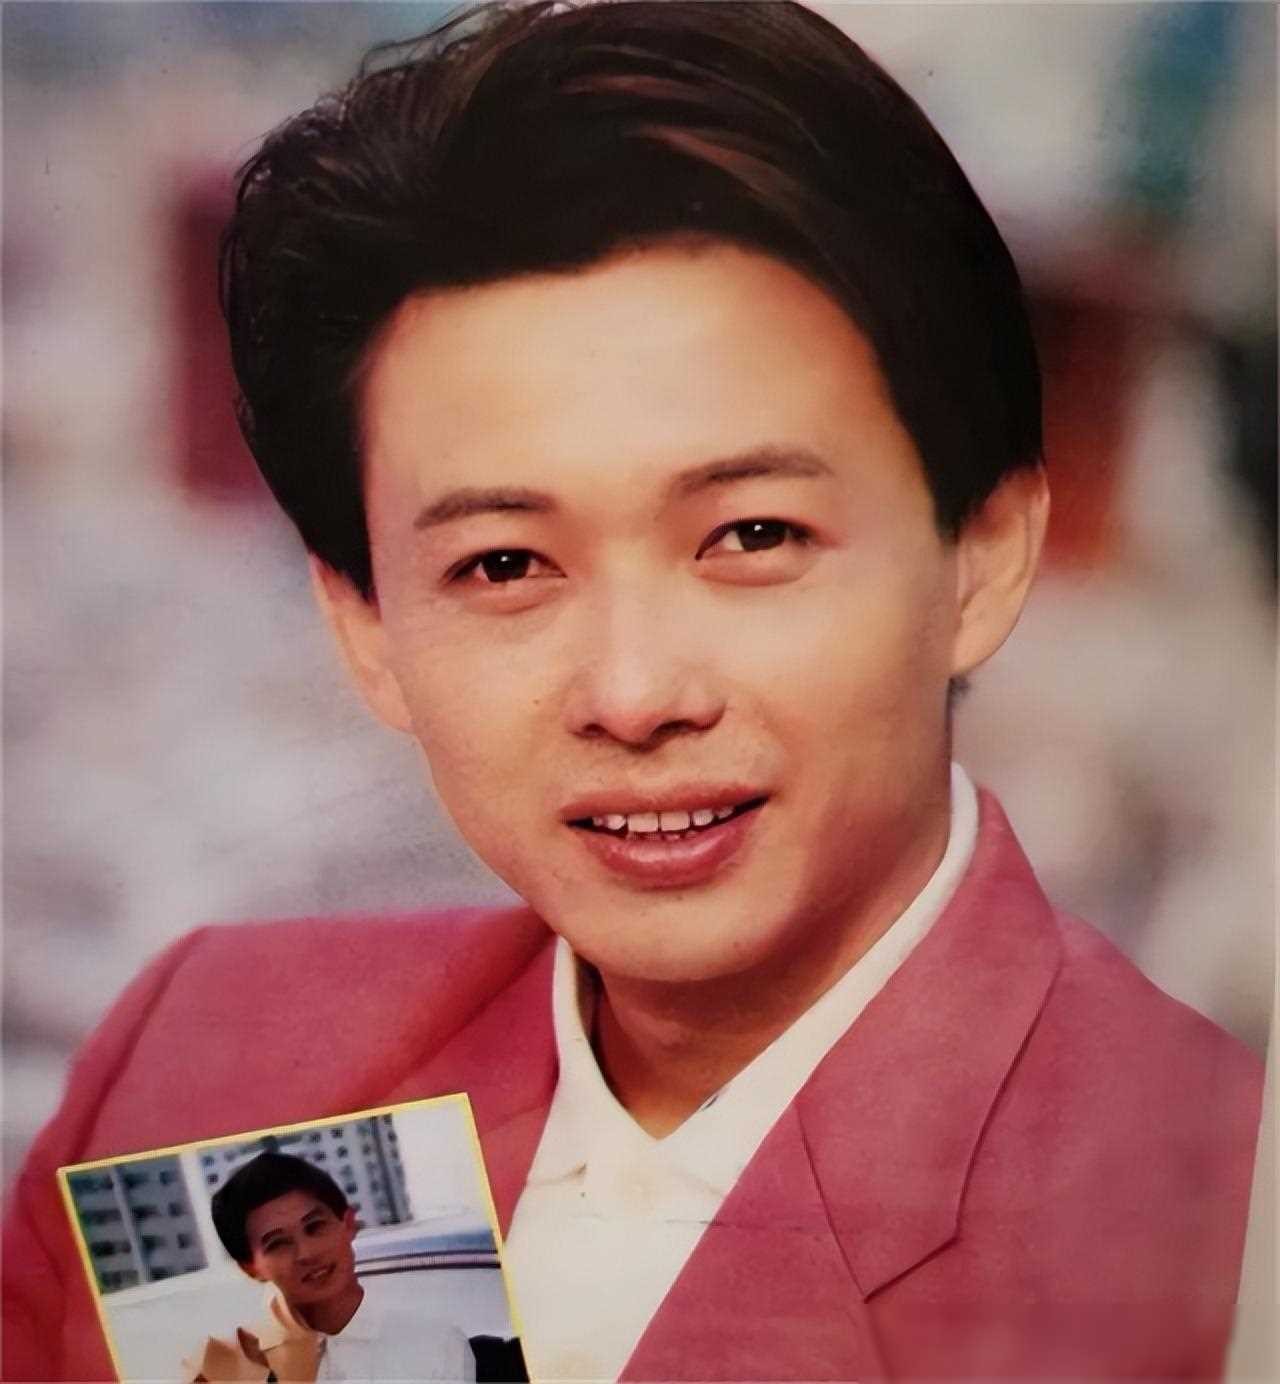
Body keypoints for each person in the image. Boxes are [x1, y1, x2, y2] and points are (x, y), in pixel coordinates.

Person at [3, 2, 1263, 1380]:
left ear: (984, 553)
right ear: (366, 628)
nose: (634, 691)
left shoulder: (1220, 1235)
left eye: (752, 536)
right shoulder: (203, 1064)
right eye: (502, 563)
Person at [183, 1152, 475, 1382]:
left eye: (315, 1227)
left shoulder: (433, 1344)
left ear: (348, 1224)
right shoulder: (230, 1368)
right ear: (250, 1268)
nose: (306, 1253)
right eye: (278, 1244)